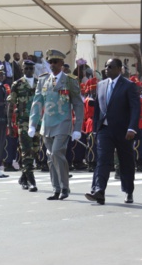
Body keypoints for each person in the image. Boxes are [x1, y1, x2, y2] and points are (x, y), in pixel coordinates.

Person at [28, 49, 83, 200]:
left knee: (57, 152)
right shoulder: (43, 80)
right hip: (47, 124)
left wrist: (77, 127)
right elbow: (37, 102)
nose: (52, 65)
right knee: (50, 157)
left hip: (63, 123)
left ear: (62, 63)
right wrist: (32, 124)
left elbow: (78, 104)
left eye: (55, 62)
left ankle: (65, 187)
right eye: (50, 62)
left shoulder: (70, 80)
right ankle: (56, 188)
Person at [84, 58, 140, 205]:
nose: (107, 69)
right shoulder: (101, 85)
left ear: (119, 69)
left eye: (110, 67)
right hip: (105, 129)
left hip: (123, 131)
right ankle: (99, 191)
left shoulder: (129, 85)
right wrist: (96, 129)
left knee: (125, 162)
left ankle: (128, 191)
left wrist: (132, 128)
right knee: (102, 160)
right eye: (106, 66)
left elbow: (135, 108)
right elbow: (97, 109)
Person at [8, 60, 40, 192]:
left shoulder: (39, 83)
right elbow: (11, 104)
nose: (29, 71)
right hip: (23, 122)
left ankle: (23, 177)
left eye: (31, 68)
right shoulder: (18, 84)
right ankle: (32, 181)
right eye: (26, 68)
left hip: (37, 122)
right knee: (27, 150)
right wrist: (10, 124)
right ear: (22, 69)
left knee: (35, 150)